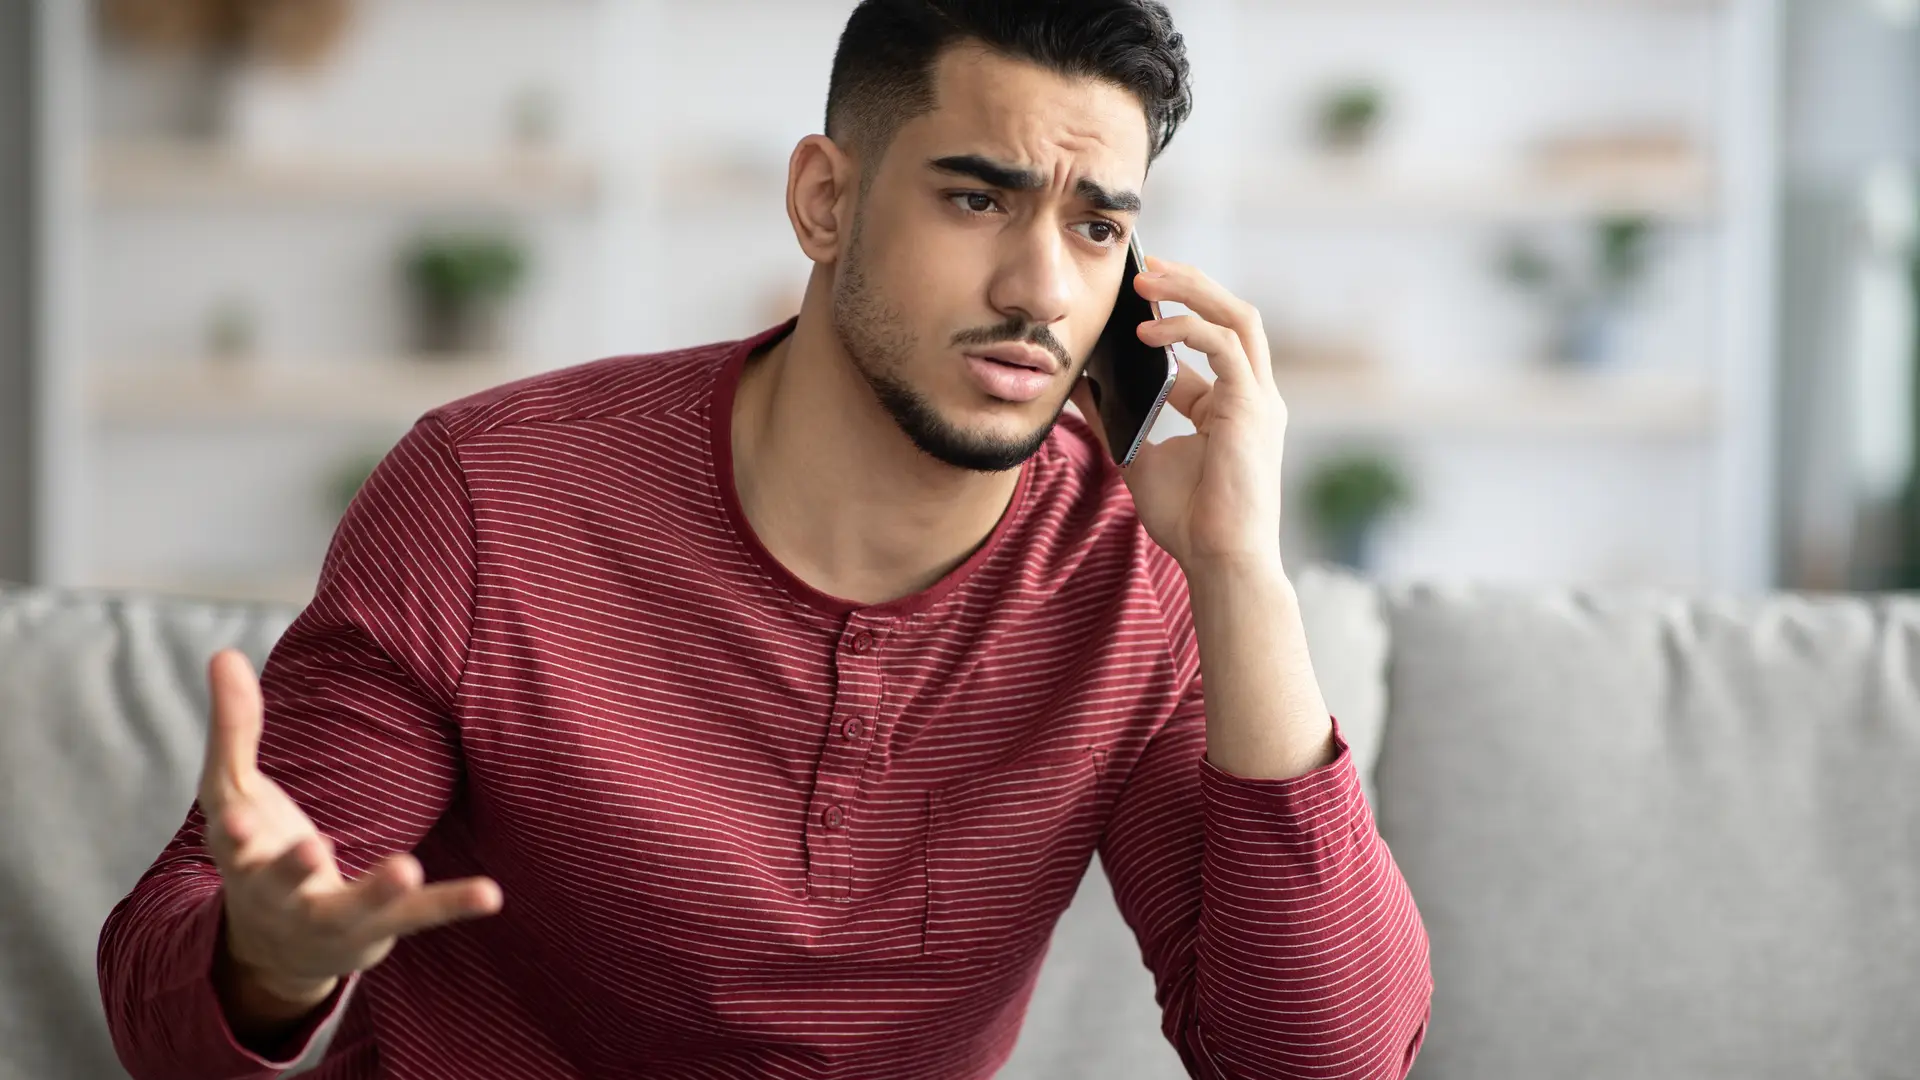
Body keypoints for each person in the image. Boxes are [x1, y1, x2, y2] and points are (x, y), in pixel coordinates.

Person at [99, 2, 1432, 1077]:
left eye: (1098, 227)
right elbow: (164, 1002)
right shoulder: (484, 498)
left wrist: (1239, 571)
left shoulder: (1134, 575)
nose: (1043, 288)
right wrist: (269, 959)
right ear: (824, 201)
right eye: (977, 198)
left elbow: (1317, 1064)